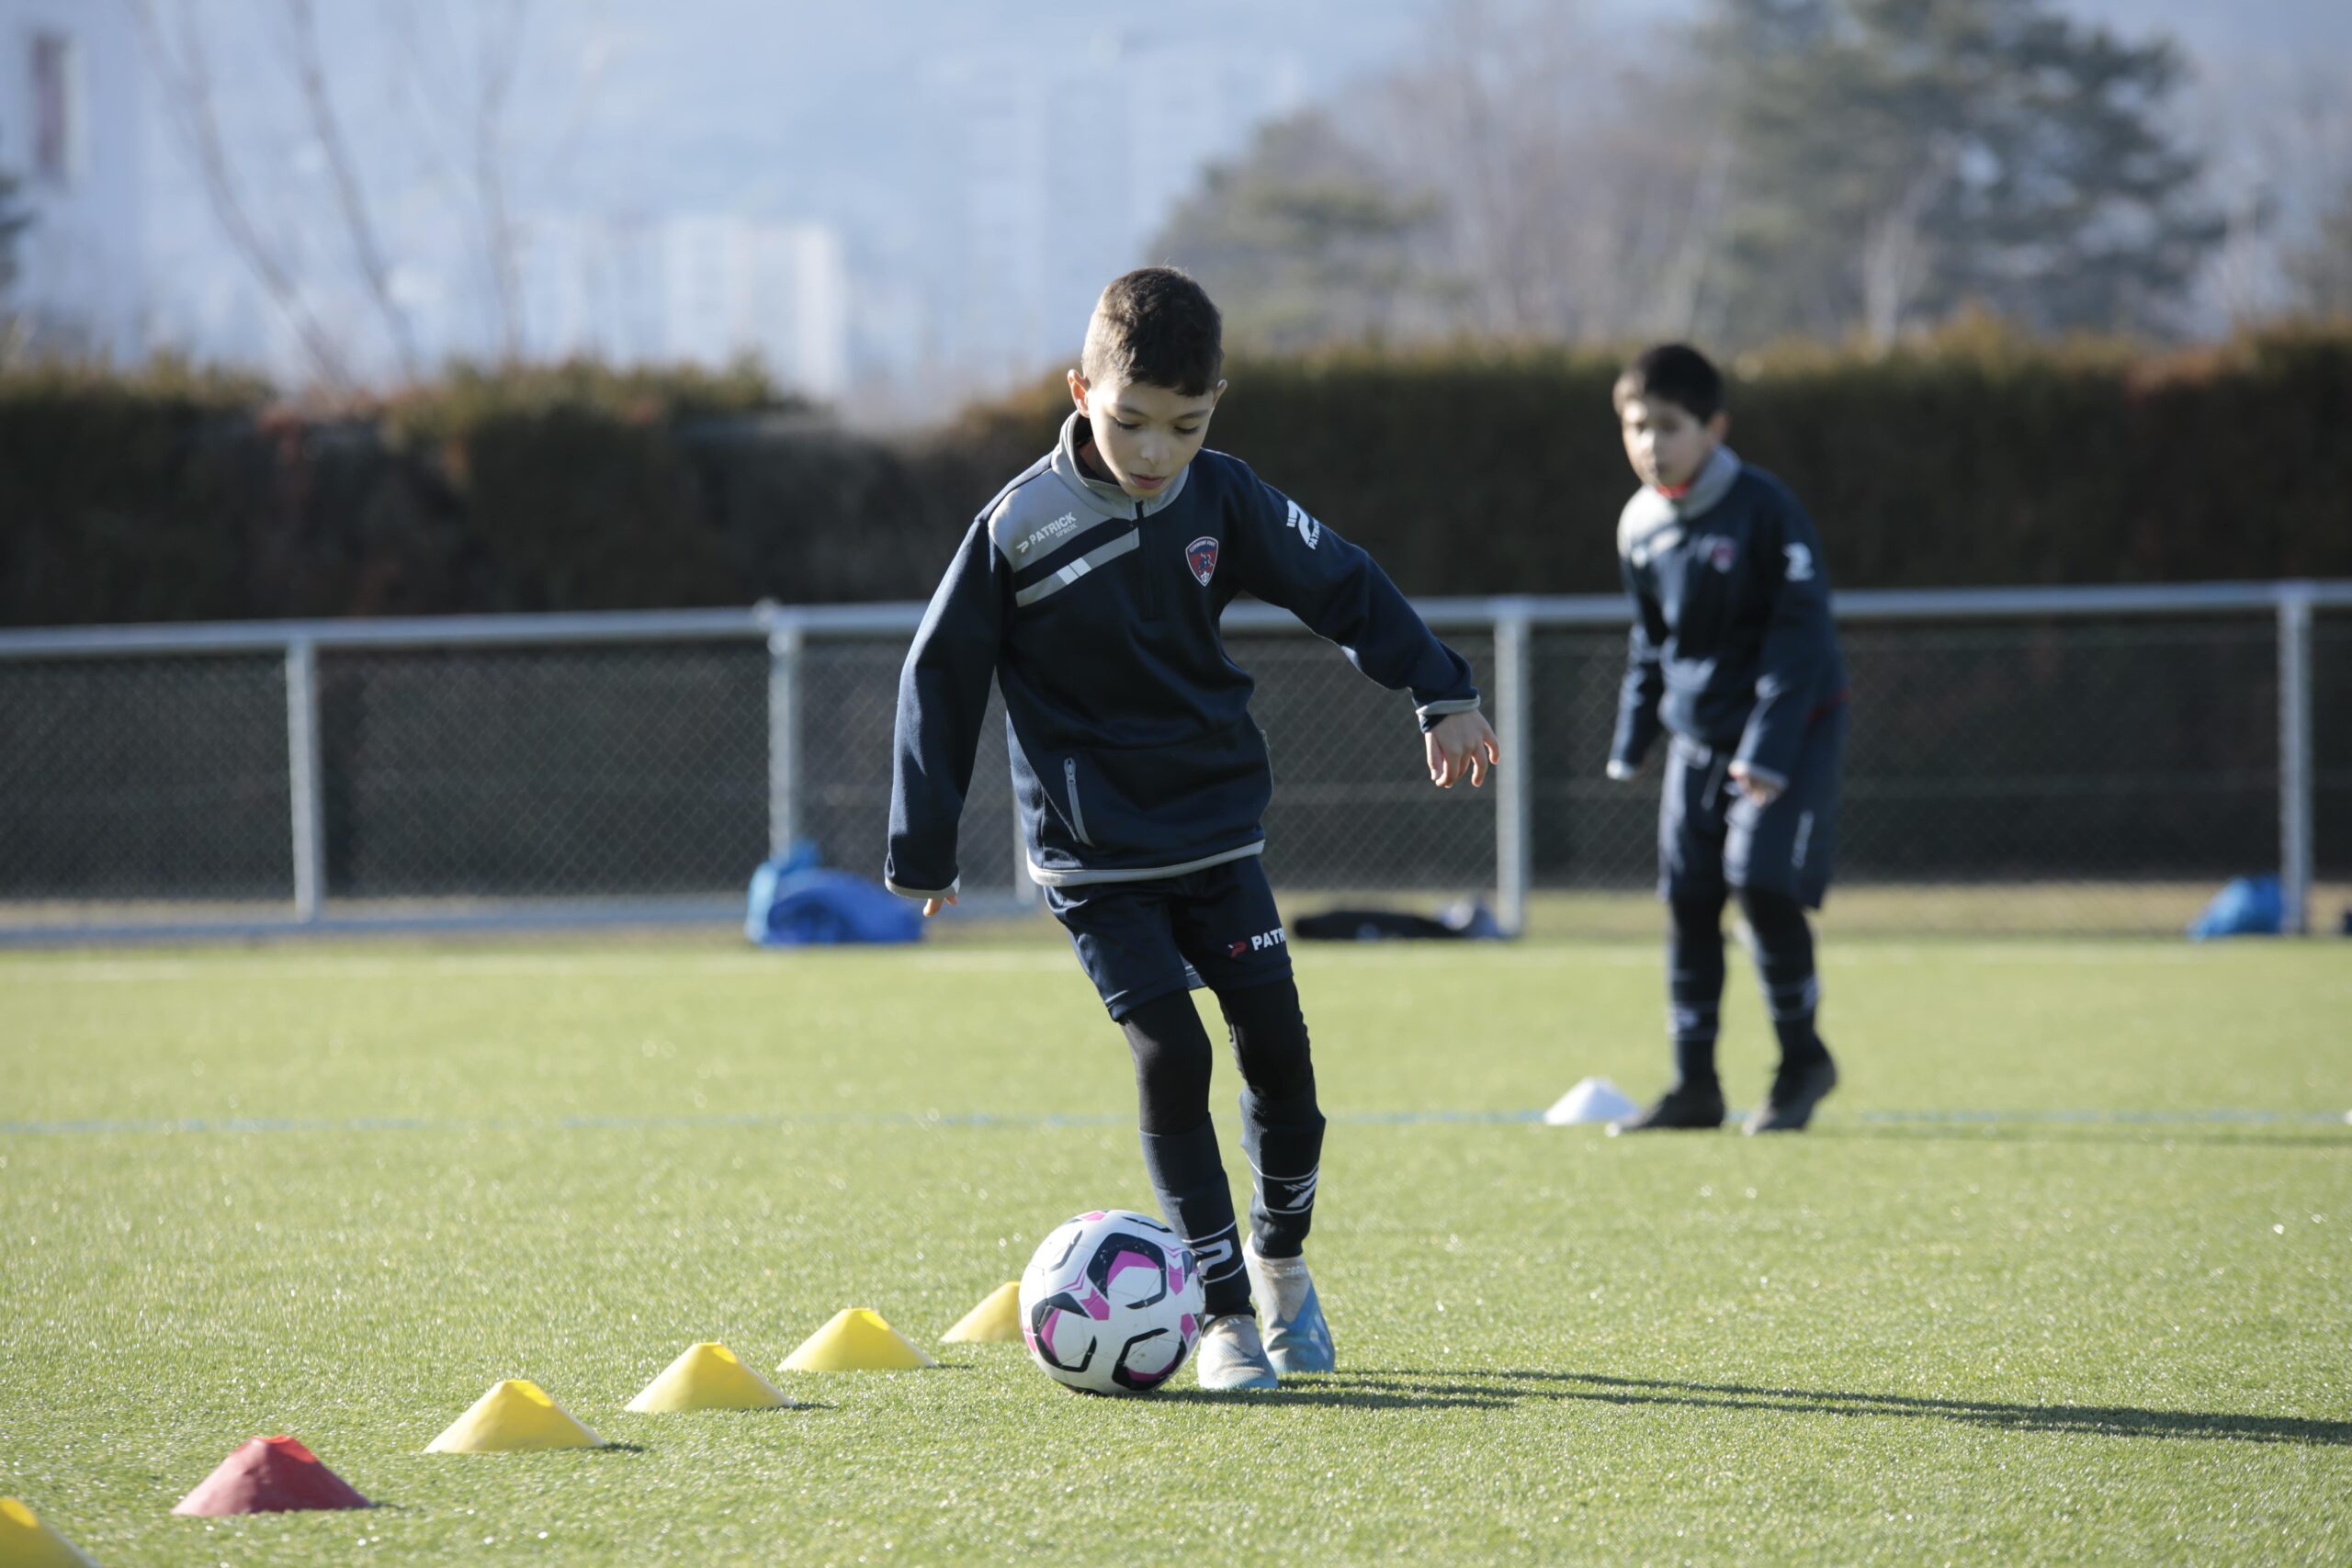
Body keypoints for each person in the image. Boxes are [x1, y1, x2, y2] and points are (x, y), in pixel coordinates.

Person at [886, 267, 1500, 1389]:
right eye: (1129, 422)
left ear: (1216, 404)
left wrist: (1440, 689)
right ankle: (1218, 1319)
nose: (1156, 451)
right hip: (1095, 860)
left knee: (1285, 1068)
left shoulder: (1224, 498)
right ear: (1080, 390)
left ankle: (1282, 1272)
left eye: (1187, 424)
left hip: (1217, 840)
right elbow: (940, 676)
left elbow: (1343, 585)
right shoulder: (1018, 526)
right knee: (1174, 1052)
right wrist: (922, 846)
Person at [1604, 343, 1847, 1134]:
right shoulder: (1639, 526)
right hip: (1698, 739)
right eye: (1636, 426)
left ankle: (1803, 1060)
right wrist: (1633, 736)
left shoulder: (1765, 509)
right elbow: (1652, 641)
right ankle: (1695, 1086)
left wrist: (1770, 750)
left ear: (1714, 428)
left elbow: (1801, 637)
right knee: (1688, 897)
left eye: (1668, 426)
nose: (1650, 443)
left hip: (1788, 730)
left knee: (1761, 880)